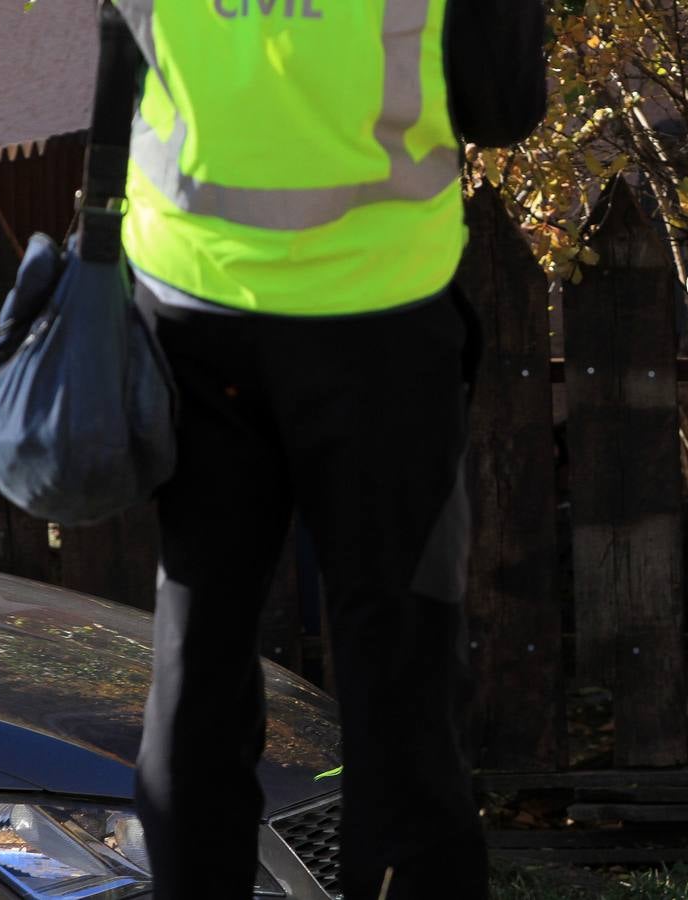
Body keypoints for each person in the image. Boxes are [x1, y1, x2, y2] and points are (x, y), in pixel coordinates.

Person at [104, 1, 546, 897]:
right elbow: (502, 106)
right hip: (377, 313)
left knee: (200, 661)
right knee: (400, 671)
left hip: (194, 302)